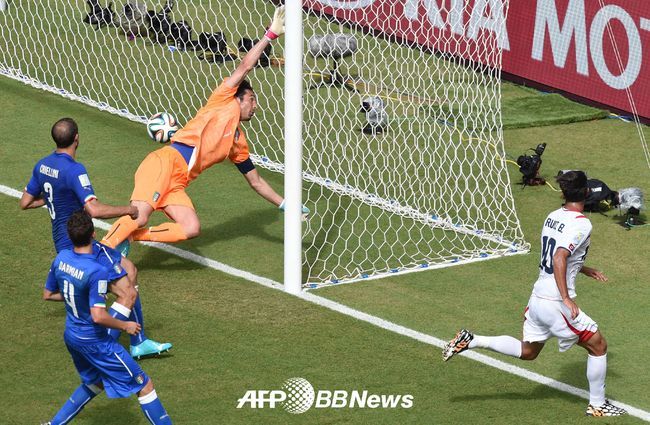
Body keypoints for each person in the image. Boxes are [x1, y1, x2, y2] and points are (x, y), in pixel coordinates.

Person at [100, 6, 308, 251]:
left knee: (191, 228)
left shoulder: (238, 141)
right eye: (252, 99)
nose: (255, 106)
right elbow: (244, 66)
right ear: (239, 97)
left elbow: (256, 182)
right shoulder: (222, 99)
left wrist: (285, 205)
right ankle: (100, 251)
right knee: (141, 214)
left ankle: (131, 236)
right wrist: (269, 36)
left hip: (178, 182)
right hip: (164, 164)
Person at [442, 171, 627, 417]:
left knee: (528, 352)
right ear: (586, 193)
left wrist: (583, 268)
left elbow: (556, 256)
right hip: (555, 302)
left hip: (538, 298)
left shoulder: (552, 216)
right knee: (598, 345)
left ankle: (472, 340)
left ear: (563, 193)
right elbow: (559, 257)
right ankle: (598, 405)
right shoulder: (582, 223)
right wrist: (566, 298)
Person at [20, 118, 171, 358]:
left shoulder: (42, 165)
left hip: (64, 245)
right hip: (82, 245)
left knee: (129, 270)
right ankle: (104, 346)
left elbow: (25, 202)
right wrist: (130, 210)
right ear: (77, 138)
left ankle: (138, 341)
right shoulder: (74, 170)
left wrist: (56, 197)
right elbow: (94, 210)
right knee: (126, 292)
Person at [41, 211, 172, 425]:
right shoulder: (97, 271)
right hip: (95, 341)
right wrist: (125, 325)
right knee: (144, 385)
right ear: (93, 234)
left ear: (70, 235)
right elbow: (98, 316)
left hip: (72, 337)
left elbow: (48, 294)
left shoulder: (61, 258)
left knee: (96, 381)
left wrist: (79, 295)